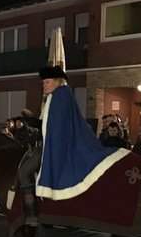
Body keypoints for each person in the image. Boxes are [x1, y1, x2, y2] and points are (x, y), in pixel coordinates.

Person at [17, 66, 126, 225]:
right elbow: (50, 126)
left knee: (24, 171)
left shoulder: (59, 97)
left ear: (57, 81)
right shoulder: (60, 96)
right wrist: (31, 122)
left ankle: (32, 214)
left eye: (47, 82)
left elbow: (56, 129)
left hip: (53, 147)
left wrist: (35, 126)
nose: (44, 85)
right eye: (43, 83)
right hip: (50, 144)